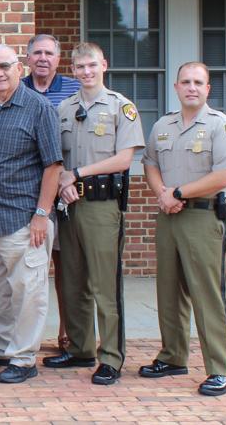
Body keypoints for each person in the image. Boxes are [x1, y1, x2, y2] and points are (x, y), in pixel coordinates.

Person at [140, 62, 226, 397]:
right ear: (176, 86)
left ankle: (221, 369)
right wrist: (162, 194)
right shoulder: (163, 125)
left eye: (198, 82)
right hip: (169, 215)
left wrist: (179, 193)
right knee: (169, 292)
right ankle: (173, 356)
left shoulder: (221, 126)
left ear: (208, 89)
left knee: (208, 294)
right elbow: (151, 163)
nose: (192, 87)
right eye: (185, 81)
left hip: (203, 217)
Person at [42, 42, 144, 385]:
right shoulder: (64, 109)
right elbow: (56, 158)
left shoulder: (120, 108)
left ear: (104, 65)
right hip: (69, 204)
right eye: (80, 67)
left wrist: (78, 174)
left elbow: (124, 160)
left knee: (104, 284)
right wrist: (62, 184)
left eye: (92, 66)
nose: (86, 72)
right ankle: (81, 348)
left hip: (102, 207)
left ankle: (111, 357)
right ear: (73, 70)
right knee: (72, 281)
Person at [0, 44, 62, 384]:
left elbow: (52, 166)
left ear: (19, 67)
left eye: (4, 66)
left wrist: (42, 213)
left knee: (28, 292)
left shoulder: (39, 108)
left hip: (25, 219)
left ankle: (24, 358)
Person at [23, 33, 82, 354]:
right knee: (31, 268)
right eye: (37, 53)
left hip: (69, 191)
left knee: (65, 266)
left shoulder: (74, 90)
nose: (42, 58)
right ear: (28, 58)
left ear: (58, 59)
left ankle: (67, 333)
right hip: (31, 191)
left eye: (49, 53)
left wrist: (66, 180)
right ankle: (28, 337)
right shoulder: (18, 88)